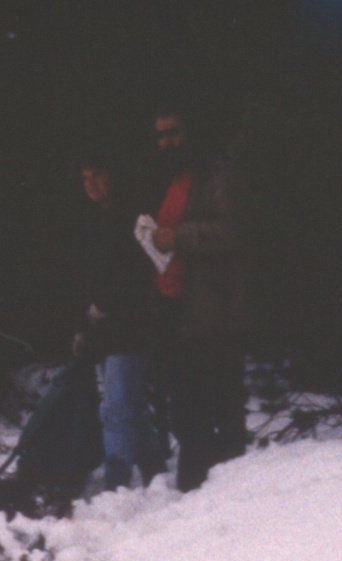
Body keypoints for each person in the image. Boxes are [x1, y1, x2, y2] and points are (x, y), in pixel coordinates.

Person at [147, 105, 248, 490]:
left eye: (173, 132)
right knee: (187, 407)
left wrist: (179, 237)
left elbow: (235, 230)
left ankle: (229, 489)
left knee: (220, 402)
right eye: (159, 136)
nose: (166, 142)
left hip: (215, 309)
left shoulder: (217, 175)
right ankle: (193, 491)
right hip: (179, 308)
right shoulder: (171, 178)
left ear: (191, 133)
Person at [73, 150, 161, 489]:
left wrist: (109, 305)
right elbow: (89, 278)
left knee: (116, 405)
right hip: (105, 328)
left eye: (96, 174)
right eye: (84, 177)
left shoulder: (135, 216)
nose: (91, 183)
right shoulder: (93, 220)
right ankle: (153, 466)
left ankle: (118, 477)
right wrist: (86, 322)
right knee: (128, 404)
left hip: (132, 325)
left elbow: (144, 270)